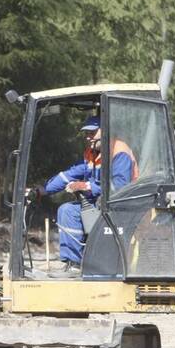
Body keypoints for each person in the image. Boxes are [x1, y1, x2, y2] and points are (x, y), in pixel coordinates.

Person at [42, 116, 136, 272]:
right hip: (101, 202)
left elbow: (119, 186)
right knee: (67, 210)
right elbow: (69, 175)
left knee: (71, 212)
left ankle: (87, 261)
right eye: (86, 133)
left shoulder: (119, 152)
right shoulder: (93, 154)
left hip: (121, 206)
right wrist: (43, 190)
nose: (88, 137)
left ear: (105, 132)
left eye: (92, 133)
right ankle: (73, 263)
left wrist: (86, 185)